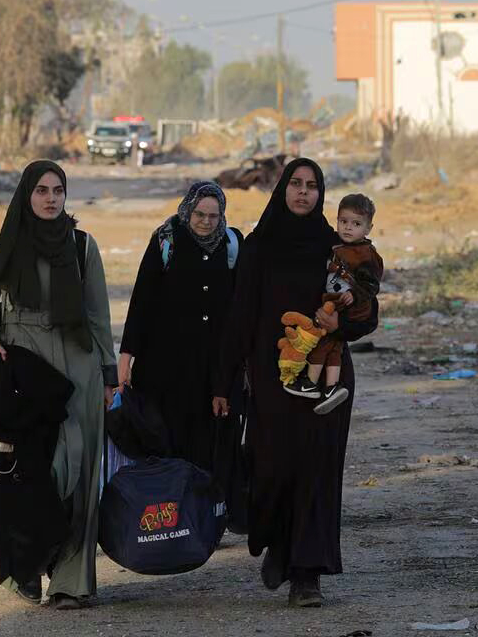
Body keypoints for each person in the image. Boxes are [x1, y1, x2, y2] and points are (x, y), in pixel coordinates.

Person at [218, 158, 378, 608]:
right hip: (271, 378)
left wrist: (340, 321)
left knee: (317, 472)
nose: (303, 192)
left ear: (321, 193)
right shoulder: (258, 247)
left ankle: (307, 574)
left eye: (311, 186)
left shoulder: (339, 247)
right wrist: (226, 380)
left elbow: (367, 313)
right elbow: (240, 318)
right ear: (282, 189)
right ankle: (279, 543)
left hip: (326, 379)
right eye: (296, 184)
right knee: (271, 468)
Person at [0, 160, 117, 610]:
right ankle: (28, 565)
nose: (51, 198)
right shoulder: (5, 247)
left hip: (77, 370)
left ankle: (71, 579)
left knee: (78, 473)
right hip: (26, 370)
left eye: (58, 190)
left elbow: (97, 315)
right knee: (32, 474)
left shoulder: (82, 245)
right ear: (26, 195)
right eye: (41, 190)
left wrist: (109, 375)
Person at [118, 181, 243, 470]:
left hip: (211, 369)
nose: (206, 222)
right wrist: (126, 356)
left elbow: (240, 308)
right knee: (165, 444)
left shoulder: (232, 244)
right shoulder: (166, 239)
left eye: (213, 216)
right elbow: (142, 301)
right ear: (189, 210)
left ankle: (203, 512)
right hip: (164, 368)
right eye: (200, 214)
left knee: (207, 448)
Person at [283, 193, 384, 415]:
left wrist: (355, 296)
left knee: (325, 343)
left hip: (346, 309)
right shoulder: (334, 244)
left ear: (368, 228)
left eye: (356, 224)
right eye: (343, 222)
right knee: (331, 346)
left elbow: (371, 285)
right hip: (334, 305)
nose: (348, 228)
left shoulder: (366, 254)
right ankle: (329, 387)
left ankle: (316, 384)